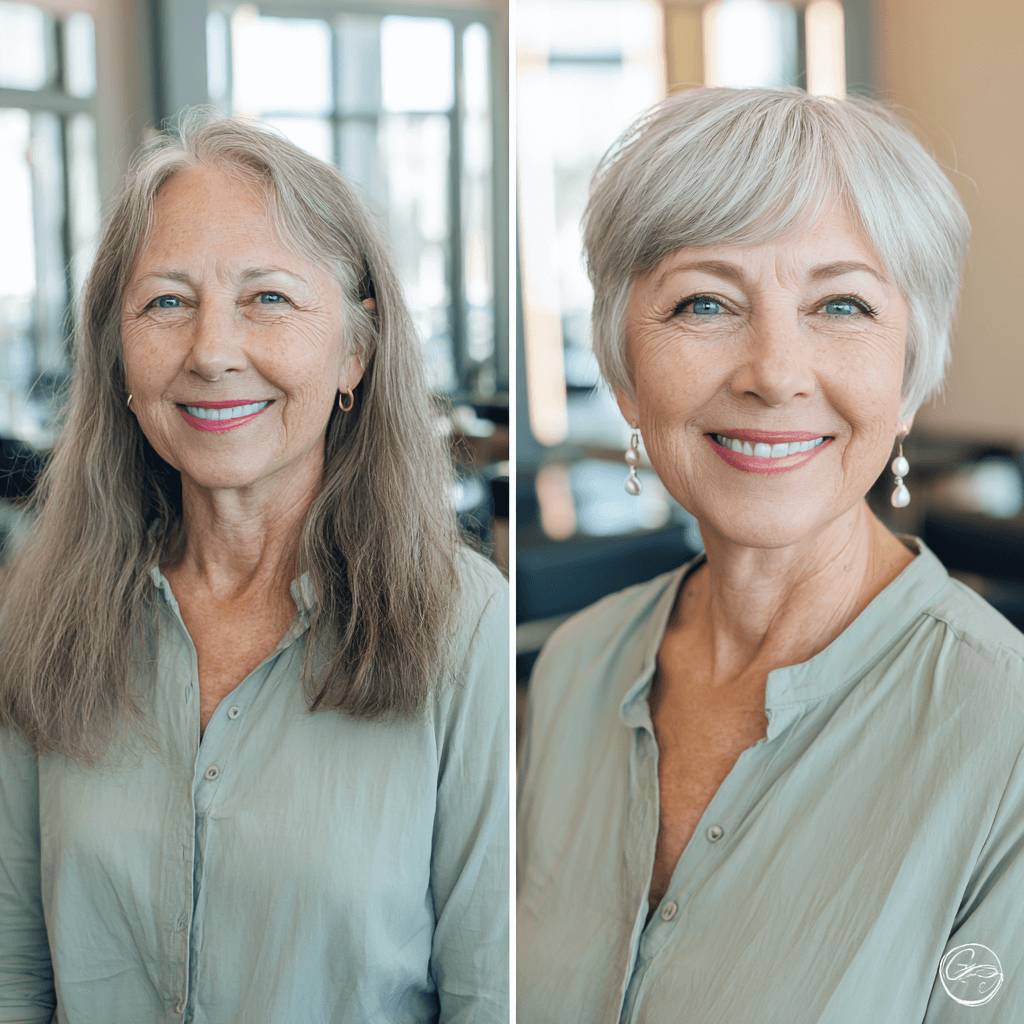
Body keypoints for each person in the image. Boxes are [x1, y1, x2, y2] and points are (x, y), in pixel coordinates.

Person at [517, 86, 1024, 1022]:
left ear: (910, 375)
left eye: (840, 305)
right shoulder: (573, 669)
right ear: (625, 373)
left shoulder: (1007, 741)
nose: (775, 373)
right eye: (705, 302)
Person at [0, 111, 508, 1024]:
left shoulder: (465, 627)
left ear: (354, 349)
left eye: (268, 298)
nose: (212, 351)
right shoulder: (39, 614)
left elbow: (490, 997)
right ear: (118, 354)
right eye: (166, 302)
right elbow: (12, 978)